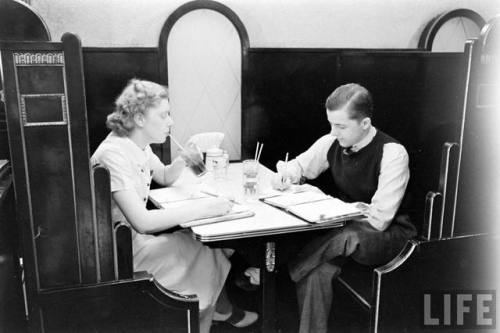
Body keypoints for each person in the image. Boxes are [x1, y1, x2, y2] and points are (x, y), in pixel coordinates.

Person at [91, 79, 258, 332]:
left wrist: (183, 157)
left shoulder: (136, 144)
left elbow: (165, 176)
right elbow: (143, 223)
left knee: (206, 247)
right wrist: (206, 209)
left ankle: (211, 313)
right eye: (164, 115)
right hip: (118, 256)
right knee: (205, 250)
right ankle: (207, 315)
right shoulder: (114, 153)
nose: (171, 122)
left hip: (130, 243)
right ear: (139, 119)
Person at [272, 83, 416, 333]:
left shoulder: (393, 153)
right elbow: (299, 166)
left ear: (365, 124)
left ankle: (280, 268)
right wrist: (287, 175)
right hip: (344, 232)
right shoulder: (332, 140)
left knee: (346, 234)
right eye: (331, 124)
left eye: (340, 126)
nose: (333, 132)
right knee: (317, 273)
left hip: (390, 237)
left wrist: (338, 208)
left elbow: (380, 219)